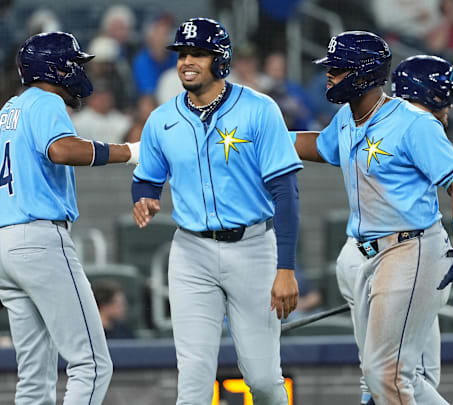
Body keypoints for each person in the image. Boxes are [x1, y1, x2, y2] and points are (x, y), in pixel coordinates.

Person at [291, 31, 453, 405]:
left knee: (386, 376)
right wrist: (264, 139)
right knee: (383, 379)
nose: (329, 74)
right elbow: (320, 145)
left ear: (364, 73)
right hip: (363, 253)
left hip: (408, 250)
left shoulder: (414, 122)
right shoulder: (348, 117)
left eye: (338, 68)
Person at [132, 18, 302, 404]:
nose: (186, 61)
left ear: (220, 60)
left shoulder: (260, 110)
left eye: (198, 54)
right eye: (182, 54)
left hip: (254, 248)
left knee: (261, 379)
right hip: (191, 252)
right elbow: (146, 179)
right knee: (192, 381)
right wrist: (142, 197)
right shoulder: (162, 119)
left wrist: (286, 269)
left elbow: (287, 194)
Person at [0, 31, 139, 405]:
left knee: (33, 380)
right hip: (39, 240)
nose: (78, 70)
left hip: (4, 247)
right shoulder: (45, 102)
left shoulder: (1, 117)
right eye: (74, 62)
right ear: (55, 68)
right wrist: (127, 152)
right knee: (92, 364)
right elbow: (61, 150)